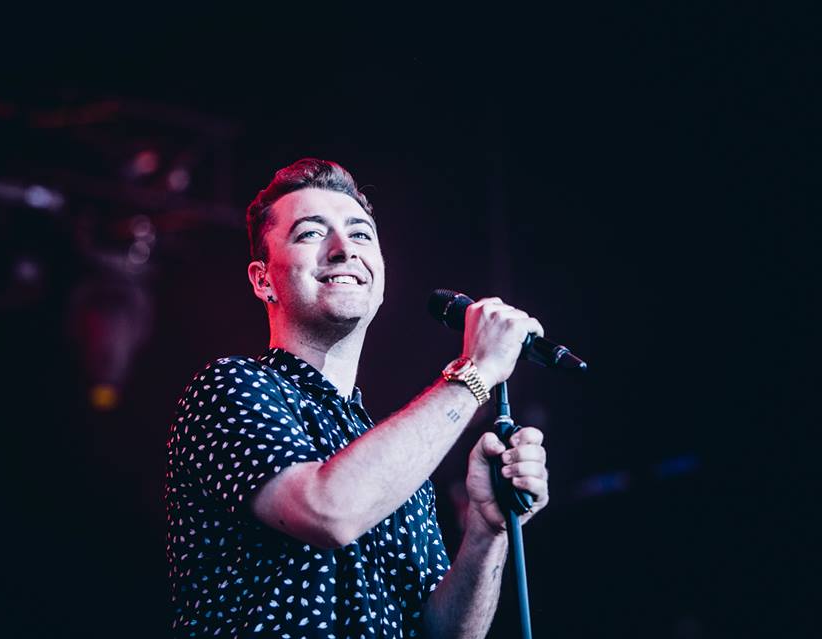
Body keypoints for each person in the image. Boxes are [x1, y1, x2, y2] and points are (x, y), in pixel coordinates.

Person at [165, 158, 550, 638]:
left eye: (361, 234)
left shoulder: (396, 457)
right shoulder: (229, 388)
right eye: (310, 233)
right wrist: (477, 371)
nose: (344, 249)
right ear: (263, 280)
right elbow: (328, 510)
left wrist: (485, 531)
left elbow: (443, 632)